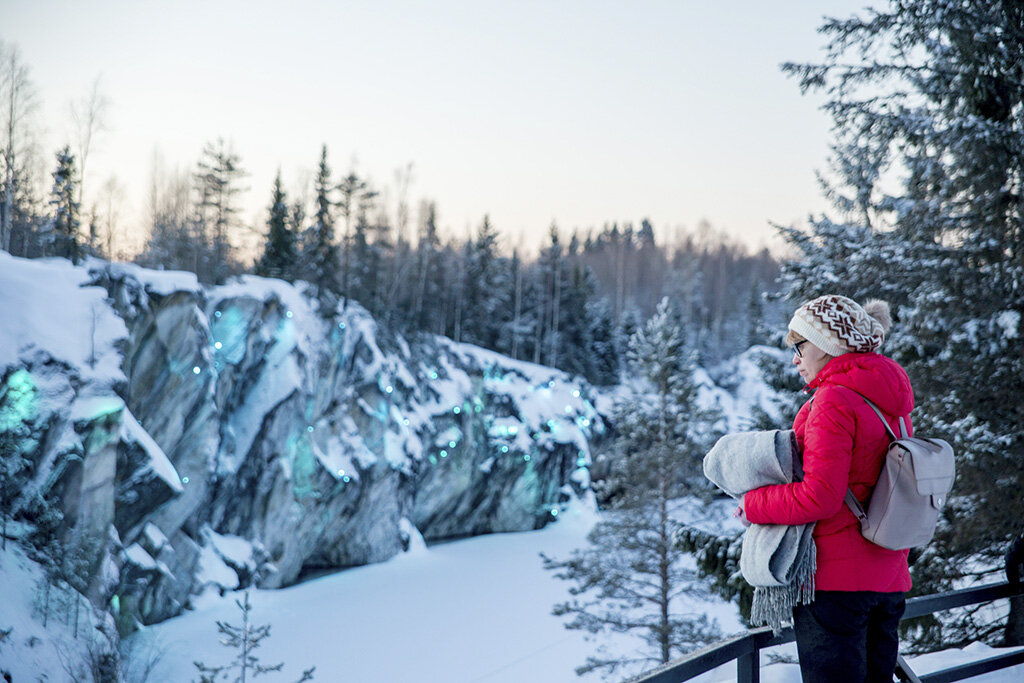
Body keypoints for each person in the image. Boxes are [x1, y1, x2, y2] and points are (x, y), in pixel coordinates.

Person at [739, 294, 914, 682]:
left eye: (800, 346)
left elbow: (820, 495)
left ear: (829, 344)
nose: (795, 359)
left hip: (837, 584)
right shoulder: (891, 396)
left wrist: (753, 504)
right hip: (889, 577)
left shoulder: (834, 399)